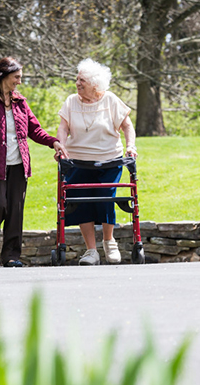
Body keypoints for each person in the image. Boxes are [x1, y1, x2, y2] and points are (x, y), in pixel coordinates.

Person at [0, 57, 67, 267]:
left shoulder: (20, 103)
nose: (19, 82)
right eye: (16, 77)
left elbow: (35, 130)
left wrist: (54, 143)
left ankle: (11, 256)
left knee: (15, 210)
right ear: (5, 76)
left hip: (18, 165)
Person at [57, 58, 137, 266]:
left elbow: (127, 126)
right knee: (81, 200)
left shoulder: (110, 100)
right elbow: (63, 128)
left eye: (82, 79)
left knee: (105, 196)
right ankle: (91, 251)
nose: (77, 83)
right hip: (78, 161)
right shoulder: (71, 101)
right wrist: (61, 146)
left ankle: (109, 241)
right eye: (77, 79)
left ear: (95, 83)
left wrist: (131, 146)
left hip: (109, 159)